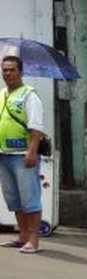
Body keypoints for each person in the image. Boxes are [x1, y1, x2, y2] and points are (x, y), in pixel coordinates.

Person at [0, 47, 44, 253]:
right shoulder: (2, 95)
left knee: (30, 199)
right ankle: (23, 236)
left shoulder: (29, 95)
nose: (8, 73)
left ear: (21, 72)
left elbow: (36, 127)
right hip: (3, 154)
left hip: (22, 155)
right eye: (4, 70)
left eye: (12, 70)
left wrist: (32, 151)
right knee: (14, 199)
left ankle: (34, 240)